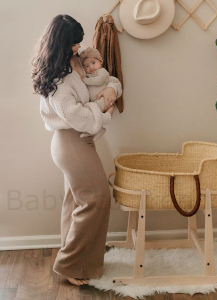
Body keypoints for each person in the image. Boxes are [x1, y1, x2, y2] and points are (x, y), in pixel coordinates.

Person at [31, 14, 122, 286]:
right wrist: (104, 108)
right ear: (61, 44)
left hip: (78, 140)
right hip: (71, 141)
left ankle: (78, 261)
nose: (78, 48)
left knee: (76, 202)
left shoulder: (74, 62)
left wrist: (110, 91)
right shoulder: (56, 81)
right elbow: (80, 119)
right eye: (73, 43)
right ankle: (72, 264)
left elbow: (107, 79)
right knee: (96, 199)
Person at [78, 47, 116, 141]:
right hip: (96, 100)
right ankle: (97, 129)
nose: (91, 67)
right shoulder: (90, 75)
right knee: (91, 112)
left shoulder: (102, 71)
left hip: (103, 99)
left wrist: (86, 80)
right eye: (86, 66)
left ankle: (96, 129)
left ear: (101, 61)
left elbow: (99, 81)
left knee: (93, 112)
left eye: (93, 63)